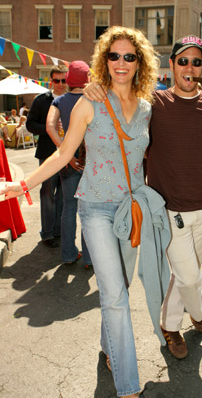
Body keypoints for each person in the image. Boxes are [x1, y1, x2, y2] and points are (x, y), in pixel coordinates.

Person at [1, 26, 171, 398]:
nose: (121, 62)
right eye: (114, 56)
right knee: (114, 296)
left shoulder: (147, 108)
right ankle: (128, 384)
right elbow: (63, 154)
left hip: (131, 211)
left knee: (118, 288)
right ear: (104, 61)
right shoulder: (89, 102)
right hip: (95, 209)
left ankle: (110, 348)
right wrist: (23, 185)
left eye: (130, 56)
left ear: (140, 62)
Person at [83, 35, 202, 359]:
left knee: (187, 273)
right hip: (165, 209)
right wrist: (92, 87)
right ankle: (180, 322)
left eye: (196, 62)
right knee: (189, 275)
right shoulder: (153, 104)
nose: (189, 67)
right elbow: (117, 97)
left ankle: (187, 314)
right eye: (183, 61)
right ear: (172, 65)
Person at [46, 61, 92, 267]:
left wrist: (65, 151)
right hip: (92, 162)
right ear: (87, 79)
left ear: (69, 80)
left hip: (68, 163)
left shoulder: (59, 101)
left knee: (69, 208)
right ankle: (90, 257)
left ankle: (68, 255)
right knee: (89, 211)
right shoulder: (94, 100)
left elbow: (49, 127)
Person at [26, 65, 68, 248]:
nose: (60, 84)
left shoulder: (73, 99)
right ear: (51, 81)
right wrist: (50, 129)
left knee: (64, 194)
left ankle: (58, 230)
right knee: (47, 193)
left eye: (64, 80)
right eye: (56, 80)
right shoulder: (41, 100)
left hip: (67, 153)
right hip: (47, 153)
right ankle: (47, 233)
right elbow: (30, 124)